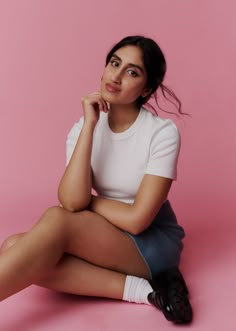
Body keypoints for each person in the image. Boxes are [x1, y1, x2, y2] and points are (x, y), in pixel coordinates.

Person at [0, 36, 192, 324]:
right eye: (114, 63)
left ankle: (155, 279)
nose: (116, 75)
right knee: (14, 247)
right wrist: (90, 125)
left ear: (147, 88)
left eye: (132, 71)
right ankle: (145, 292)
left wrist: (87, 202)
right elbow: (71, 200)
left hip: (151, 241)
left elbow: (137, 219)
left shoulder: (162, 132)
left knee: (57, 221)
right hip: (104, 232)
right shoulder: (84, 126)